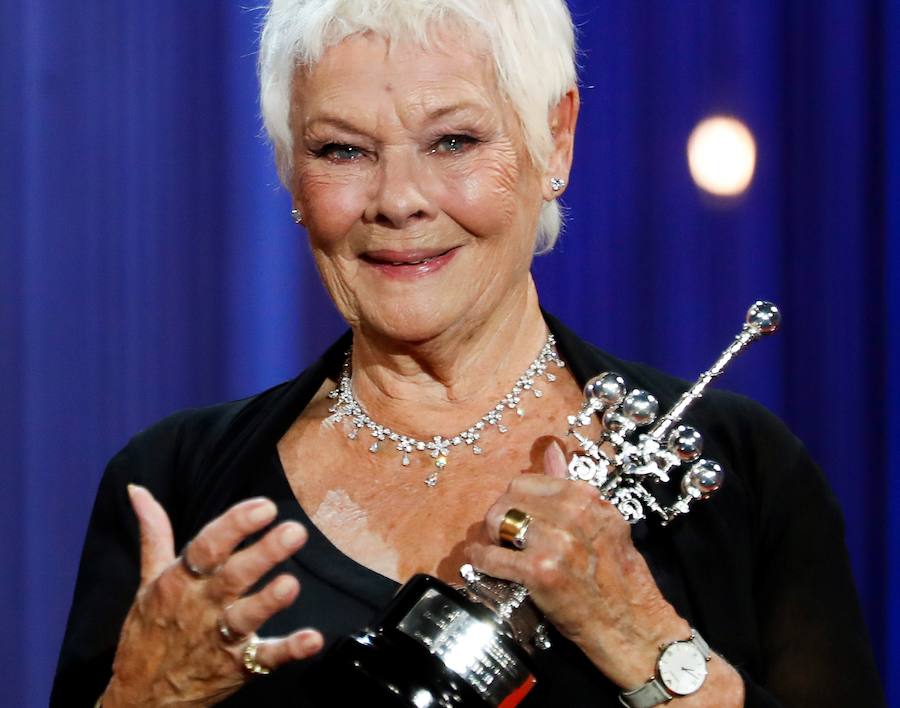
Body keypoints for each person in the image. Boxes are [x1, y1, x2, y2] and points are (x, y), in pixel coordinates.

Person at [52, 1, 884, 706]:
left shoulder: (738, 472)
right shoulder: (179, 486)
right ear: (289, 173)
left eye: (452, 142)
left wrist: (642, 638)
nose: (399, 201)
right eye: (342, 150)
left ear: (553, 140)